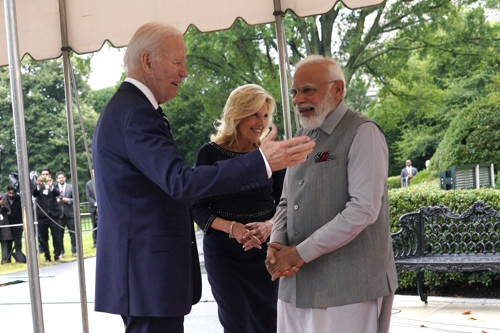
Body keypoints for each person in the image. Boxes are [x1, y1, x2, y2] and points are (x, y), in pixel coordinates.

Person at [92, 21, 314, 333]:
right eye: (178, 62)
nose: (184, 72)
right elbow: (181, 184)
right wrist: (261, 160)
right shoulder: (136, 113)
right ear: (147, 61)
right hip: (147, 274)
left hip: (146, 274)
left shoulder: (132, 109)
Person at [265, 55, 398, 333]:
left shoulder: (363, 132)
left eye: (308, 89)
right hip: (295, 285)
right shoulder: (303, 135)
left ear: (338, 89)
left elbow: (363, 210)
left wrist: (298, 253)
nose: (298, 99)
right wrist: (276, 244)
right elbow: (287, 200)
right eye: (294, 91)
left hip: (348, 287)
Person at [192, 84, 283, 333]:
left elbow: (285, 203)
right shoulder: (209, 154)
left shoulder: (271, 154)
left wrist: (269, 226)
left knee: (270, 323)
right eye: (254, 114)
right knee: (237, 325)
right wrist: (233, 229)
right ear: (237, 113)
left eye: (265, 116)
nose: (261, 122)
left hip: (266, 254)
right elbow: (197, 207)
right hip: (225, 257)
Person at [33, 168, 62, 262]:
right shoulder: (38, 186)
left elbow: (58, 194)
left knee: (56, 236)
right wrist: (38, 185)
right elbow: (35, 194)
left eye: (46, 174)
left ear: (50, 175)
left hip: (53, 215)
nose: (45, 176)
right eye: (43, 174)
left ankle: (57, 255)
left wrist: (50, 186)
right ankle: (47, 256)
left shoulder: (54, 185)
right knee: (43, 237)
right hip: (42, 216)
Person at [1, 185, 25, 263]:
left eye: (13, 193)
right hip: (7, 223)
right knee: (8, 242)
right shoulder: (4, 198)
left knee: (18, 242)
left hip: (17, 222)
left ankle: (19, 258)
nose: (11, 195)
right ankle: (7, 258)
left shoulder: (19, 198)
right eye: (9, 193)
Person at [55, 171, 76, 257]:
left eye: (62, 177)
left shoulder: (71, 187)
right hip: (59, 215)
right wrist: (57, 201)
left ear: (65, 178)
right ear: (57, 179)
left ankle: (75, 251)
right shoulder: (54, 188)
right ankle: (61, 252)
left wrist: (68, 200)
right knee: (59, 235)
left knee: (73, 234)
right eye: (59, 178)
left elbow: (75, 199)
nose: (61, 179)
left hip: (70, 214)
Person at [86, 173, 97, 248]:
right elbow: (88, 196)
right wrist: (96, 204)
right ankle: (95, 242)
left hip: (103, 207)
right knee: (94, 225)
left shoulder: (102, 181)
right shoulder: (88, 184)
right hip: (93, 208)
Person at [0, 196, 13, 264]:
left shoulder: (4, 198)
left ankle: (4, 259)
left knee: (4, 242)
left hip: (3, 224)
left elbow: (7, 209)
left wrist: (2, 205)